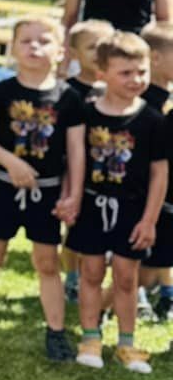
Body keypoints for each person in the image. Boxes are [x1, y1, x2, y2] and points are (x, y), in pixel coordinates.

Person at [0, 18, 80, 362]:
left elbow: (75, 151)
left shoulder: (68, 98)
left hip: (47, 191)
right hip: (5, 187)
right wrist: (9, 162)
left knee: (47, 261)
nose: (34, 47)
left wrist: (72, 193)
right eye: (26, 41)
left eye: (44, 41)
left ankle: (56, 332)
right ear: (12, 48)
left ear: (60, 52)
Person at [62, 30, 171, 373]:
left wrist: (150, 220)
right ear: (102, 74)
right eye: (125, 73)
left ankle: (126, 343)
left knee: (126, 276)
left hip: (133, 209)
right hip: (92, 206)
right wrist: (71, 198)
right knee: (91, 272)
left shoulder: (153, 120)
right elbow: (74, 161)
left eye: (141, 72)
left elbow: (160, 174)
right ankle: (90, 338)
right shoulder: (86, 114)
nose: (135, 80)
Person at [60, 19, 110, 307]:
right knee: (73, 226)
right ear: (74, 53)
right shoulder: (68, 92)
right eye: (92, 47)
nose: (99, 52)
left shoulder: (118, 87)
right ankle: (72, 276)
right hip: (72, 168)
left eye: (105, 46)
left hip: (107, 169)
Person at [136, 22, 173, 321]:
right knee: (143, 262)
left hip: (164, 195)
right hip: (141, 192)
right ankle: (130, 298)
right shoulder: (144, 103)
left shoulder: (165, 100)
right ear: (155, 59)